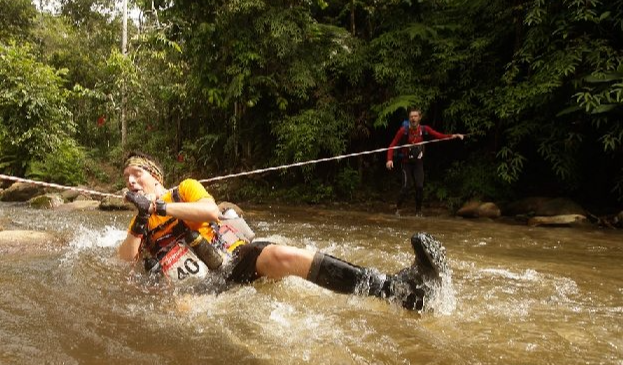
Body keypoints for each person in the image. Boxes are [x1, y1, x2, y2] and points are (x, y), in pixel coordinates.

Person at [118, 151, 448, 311]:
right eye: (126, 179)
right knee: (181, 309)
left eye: (136, 174)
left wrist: (158, 207)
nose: (131, 181)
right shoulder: (140, 224)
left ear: (155, 176)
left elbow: (210, 212)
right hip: (200, 288)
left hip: (234, 261)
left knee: (283, 254)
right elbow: (124, 261)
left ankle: (399, 290)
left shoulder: (184, 189)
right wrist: (141, 217)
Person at [386, 108, 464, 216]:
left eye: (415, 116)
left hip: (418, 162)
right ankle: (398, 208)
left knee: (419, 186)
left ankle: (418, 212)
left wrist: (453, 135)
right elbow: (392, 145)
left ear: (419, 118)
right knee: (406, 186)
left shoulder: (424, 129)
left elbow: (439, 136)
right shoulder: (403, 131)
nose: (413, 118)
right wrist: (389, 160)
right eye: (411, 117)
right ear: (409, 118)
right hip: (406, 162)